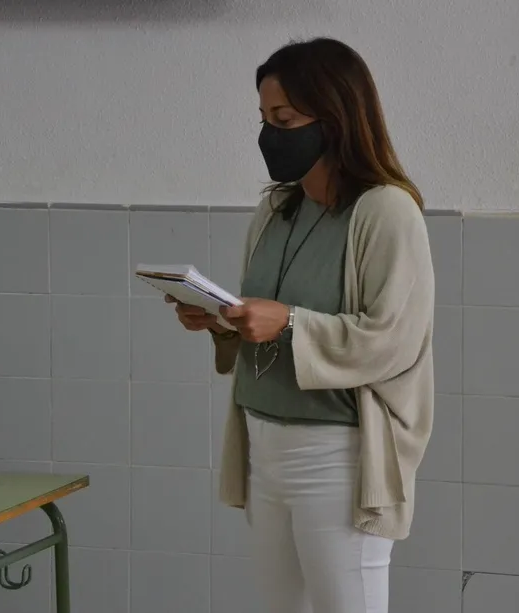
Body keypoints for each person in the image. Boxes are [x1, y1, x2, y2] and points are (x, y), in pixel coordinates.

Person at [166, 37, 435, 613]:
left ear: (334, 118)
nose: (270, 134)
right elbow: (265, 320)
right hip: (264, 447)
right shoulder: (277, 209)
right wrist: (221, 320)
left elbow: (391, 340)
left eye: (284, 120)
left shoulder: (386, 211)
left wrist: (289, 321)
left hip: (336, 456)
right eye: (264, 119)